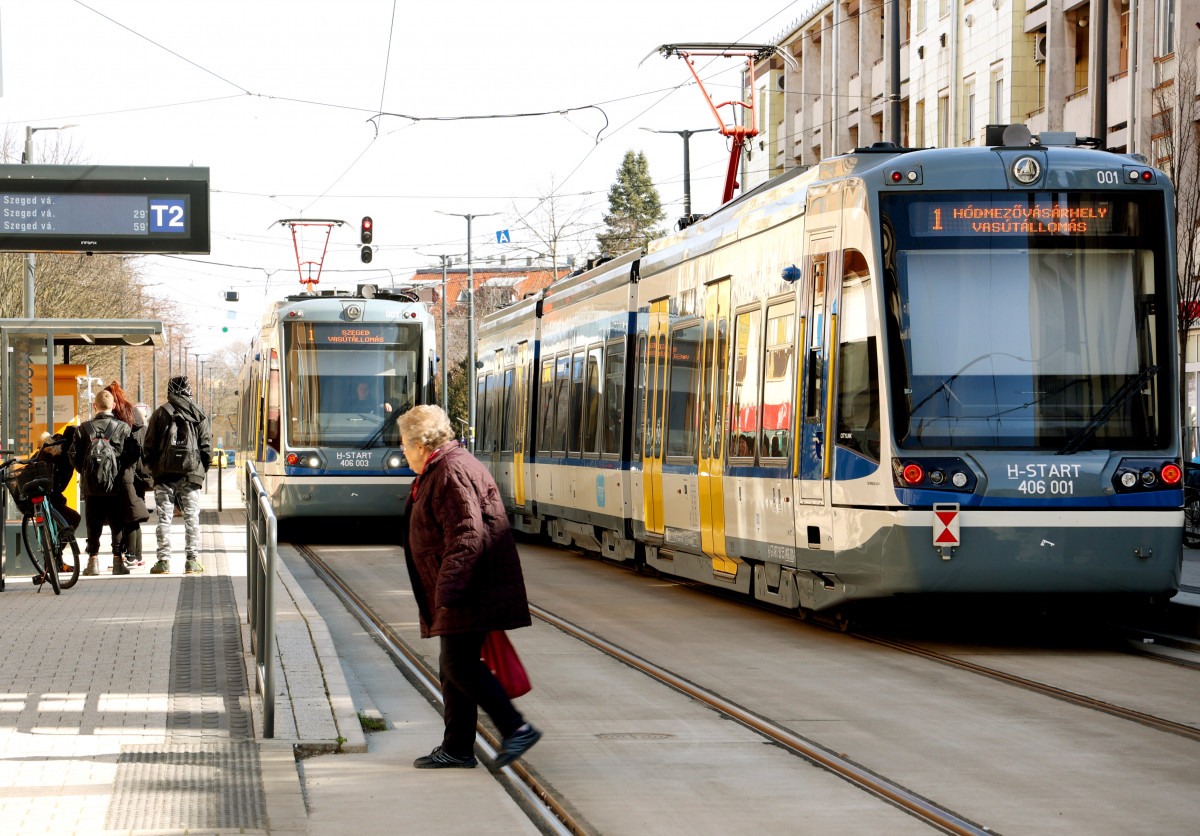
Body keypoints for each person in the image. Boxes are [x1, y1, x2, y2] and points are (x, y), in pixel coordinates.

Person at [398, 404, 541, 770]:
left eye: (403, 443)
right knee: (453, 665)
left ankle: (515, 727)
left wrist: (449, 588)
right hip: (466, 584)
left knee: (458, 664)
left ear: (420, 443)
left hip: (469, 585)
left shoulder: (450, 470)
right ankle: (458, 747)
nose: (401, 450)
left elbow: (466, 533)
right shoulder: (444, 466)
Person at [143, 376, 212, 574]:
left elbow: (148, 447)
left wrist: (155, 469)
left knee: (164, 518)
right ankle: (191, 561)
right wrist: (199, 471)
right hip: (191, 476)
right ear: (189, 390)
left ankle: (163, 561)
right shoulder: (198, 414)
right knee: (192, 518)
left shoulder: (160, 413)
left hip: (164, 478)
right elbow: (206, 448)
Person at [71, 389, 134, 576]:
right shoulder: (122, 427)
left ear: (94, 406)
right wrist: (119, 470)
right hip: (115, 485)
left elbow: (73, 456)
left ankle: (93, 562)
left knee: (93, 522)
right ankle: (118, 561)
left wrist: (85, 472)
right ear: (113, 406)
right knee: (117, 522)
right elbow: (133, 453)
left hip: (91, 487)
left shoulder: (83, 428)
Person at [104, 382, 150, 568]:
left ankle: (130, 556)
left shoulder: (117, 419)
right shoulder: (134, 416)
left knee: (127, 515)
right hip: (139, 472)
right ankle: (136, 556)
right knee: (134, 513)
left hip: (125, 472)